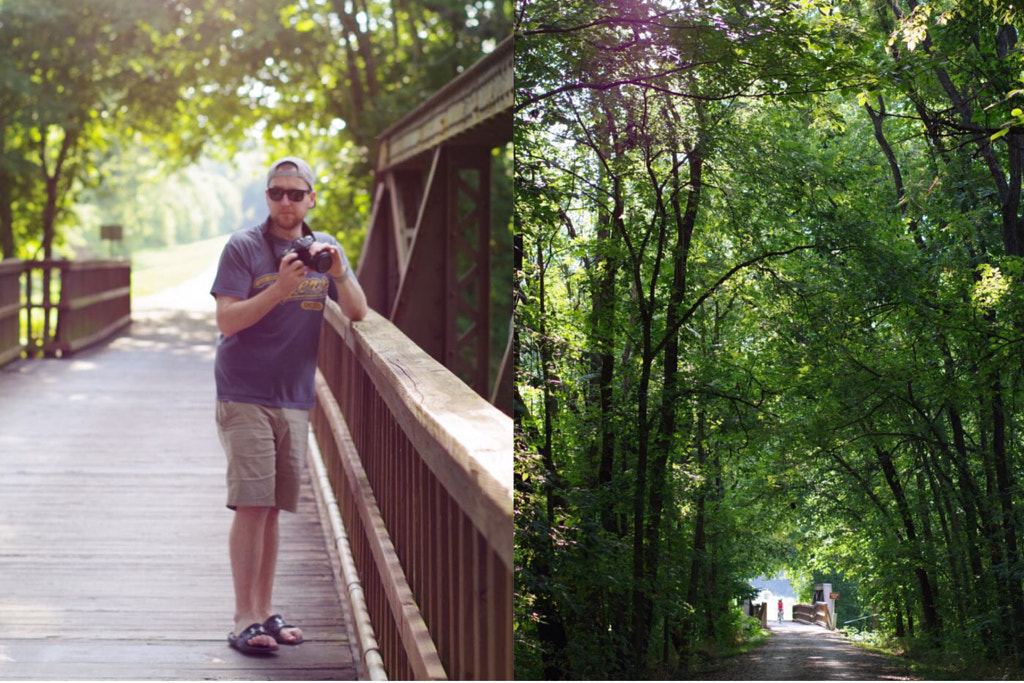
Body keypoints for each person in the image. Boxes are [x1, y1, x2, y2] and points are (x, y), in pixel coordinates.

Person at [211, 156, 368, 655]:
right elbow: (228, 322)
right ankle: (243, 618)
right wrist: (280, 289)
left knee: (273, 509)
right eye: (277, 193)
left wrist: (340, 273)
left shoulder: (325, 252)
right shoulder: (244, 247)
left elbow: (360, 312)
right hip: (245, 389)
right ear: (267, 198)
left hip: (295, 394)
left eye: (295, 194)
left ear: (311, 199)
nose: (286, 202)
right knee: (253, 503)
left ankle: (264, 610)